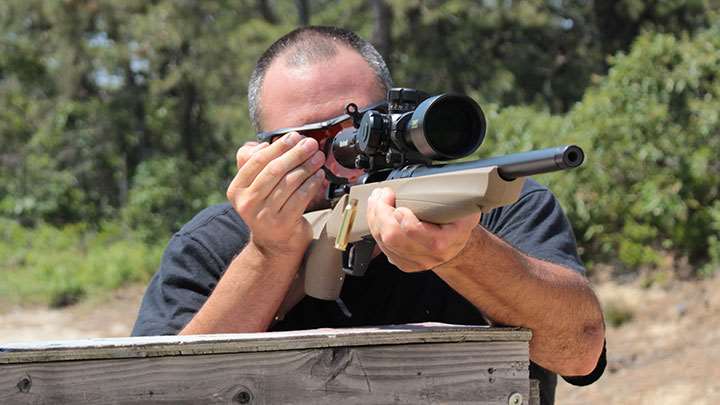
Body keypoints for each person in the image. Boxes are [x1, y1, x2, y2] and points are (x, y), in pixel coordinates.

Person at [132, 26, 606, 404]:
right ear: (261, 152)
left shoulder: (500, 205)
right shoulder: (210, 242)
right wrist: (270, 253)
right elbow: (154, 391)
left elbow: (580, 351)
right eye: (310, 144)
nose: (347, 156)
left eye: (364, 127)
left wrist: (463, 253)